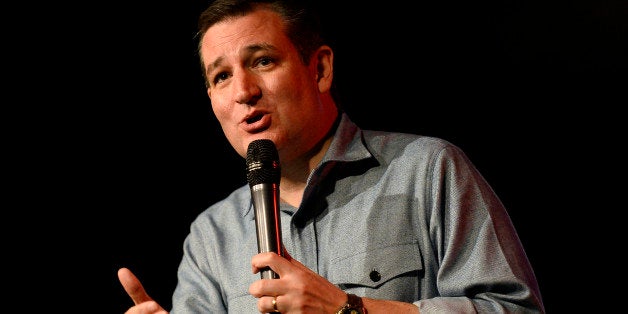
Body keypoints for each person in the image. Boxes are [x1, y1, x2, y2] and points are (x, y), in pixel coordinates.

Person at [117, 0, 545, 312]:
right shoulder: (212, 236)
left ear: (319, 70)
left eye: (262, 61)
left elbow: (515, 311)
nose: (243, 92)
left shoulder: (427, 170)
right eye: (222, 76)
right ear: (211, 98)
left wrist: (351, 309)